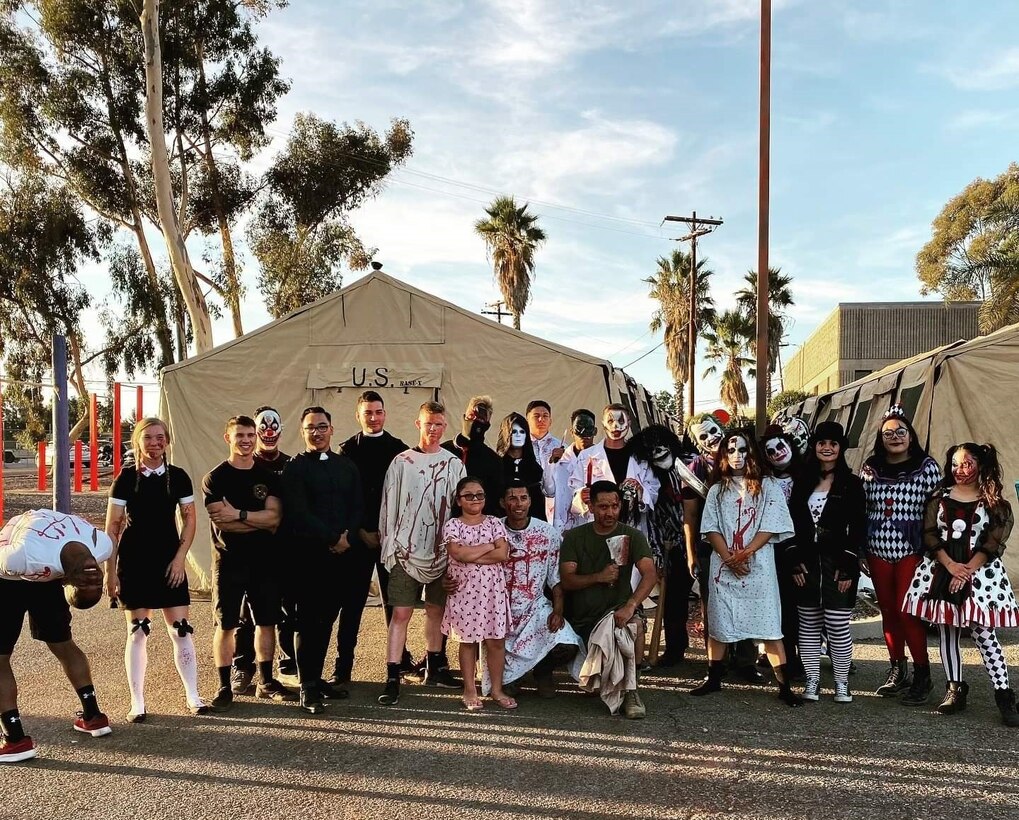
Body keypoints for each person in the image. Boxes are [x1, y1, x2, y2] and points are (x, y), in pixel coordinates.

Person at [902, 443, 1019, 726]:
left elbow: (993, 540)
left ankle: (1004, 694)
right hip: (942, 570)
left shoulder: (993, 502)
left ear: (980, 465)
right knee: (947, 630)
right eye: (955, 463)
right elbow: (930, 535)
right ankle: (955, 689)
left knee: (983, 632)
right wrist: (951, 566)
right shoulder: (938, 499)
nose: (960, 469)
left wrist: (966, 570)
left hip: (979, 575)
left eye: (966, 463)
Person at [105, 417, 208, 721]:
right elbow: (112, 527)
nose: (155, 443)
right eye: (148, 437)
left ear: (167, 441)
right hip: (134, 561)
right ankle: (137, 702)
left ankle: (193, 695)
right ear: (138, 441)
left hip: (168, 559)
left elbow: (190, 520)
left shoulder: (177, 477)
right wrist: (109, 571)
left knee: (181, 631)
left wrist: (180, 559)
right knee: (138, 632)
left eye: (160, 437)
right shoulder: (124, 479)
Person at [691, 430, 803, 707]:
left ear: (751, 452)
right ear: (723, 456)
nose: (737, 456)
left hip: (758, 566)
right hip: (724, 565)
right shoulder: (717, 489)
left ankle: (784, 686)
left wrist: (747, 552)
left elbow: (772, 523)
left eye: (742, 450)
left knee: (770, 626)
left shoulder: (768, 486)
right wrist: (729, 557)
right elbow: (710, 527)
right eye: (731, 451)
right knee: (720, 623)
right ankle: (714, 677)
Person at [1, 510, 114, 762]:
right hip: (29, 574)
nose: (94, 577)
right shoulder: (103, 546)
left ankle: (16, 739)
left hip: (15, 573)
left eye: (89, 584)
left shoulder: (23, 557)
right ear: (65, 581)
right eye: (95, 582)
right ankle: (93, 716)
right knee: (62, 645)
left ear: (66, 580)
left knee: (6, 658)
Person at [378, 401, 466, 706]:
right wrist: (389, 543)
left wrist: (457, 548)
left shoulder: (454, 465)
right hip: (407, 549)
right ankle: (392, 674)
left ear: (445, 426)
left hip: (442, 550)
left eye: (439, 424)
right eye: (428, 423)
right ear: (418, 424)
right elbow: (388, 506)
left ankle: (434, 666)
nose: (433, 430)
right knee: (401, 612)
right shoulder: (402, 462)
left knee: (435, 611)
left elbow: (462, 507)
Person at [202, 415, 290, 712]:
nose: (247, 440)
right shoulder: (215, 478)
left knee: (267, 622)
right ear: (228, 438)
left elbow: (275, 518)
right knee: (226, 625)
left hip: (264, 562)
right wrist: (258, 521)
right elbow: (222, 523)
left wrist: (238, 513)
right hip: (228, 562)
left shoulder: (269, 476)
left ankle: (266, 682)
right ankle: (224, 686)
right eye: (240, 435)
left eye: (251, 435)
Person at [280, 406, 363, 715]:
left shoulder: (346, 466)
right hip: (307, 558)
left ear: (332, 429)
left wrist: (348, 537)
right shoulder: (295, 468)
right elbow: (299, 512)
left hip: (341, 559)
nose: (317, 432)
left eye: (322, 426)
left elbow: (357, 506)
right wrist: (332, 538)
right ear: (303, 432)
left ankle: (316, 678)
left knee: (326, 620)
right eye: (311, 427)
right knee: (306, 622)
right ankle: (306, 686)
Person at [861, 405, 941, 705]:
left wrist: (934, 549)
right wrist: (859, 548)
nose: (895, 437)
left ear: (910, 435)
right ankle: (897, 668)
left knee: (908, 611)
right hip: (877, 547)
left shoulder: (927, 467)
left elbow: (937, 510)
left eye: (900, 432)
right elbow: (862, 508)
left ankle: (923, 673)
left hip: (913, 549)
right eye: (888, 433)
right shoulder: (870, 468)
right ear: (881, 439)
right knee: (889, 611)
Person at [561, 481, 657, 719]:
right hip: (582, 618)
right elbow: (567, 580)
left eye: (615, 506)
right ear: (591, 507)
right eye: (603, 507)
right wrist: (598, 577)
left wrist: (631, 605)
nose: (610, 512)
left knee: (634, 625)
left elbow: (650, 573)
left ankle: (632, 691)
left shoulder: (632, 536)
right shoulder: (574, 537)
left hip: (617, 611)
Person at [786, 421, 866, 703]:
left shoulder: (852, 484)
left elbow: (858, 526)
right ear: (815, 447)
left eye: (833, 443)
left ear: (840, 447)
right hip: (806, 563)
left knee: (837, 623)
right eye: (822, 443)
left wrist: (849, 562)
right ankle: (812, 680)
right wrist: (794, 559)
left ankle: (842, 682)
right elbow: (791, 523)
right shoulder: (802, 482)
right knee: (807, 623)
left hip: (838, 562)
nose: (827, 448)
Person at [337, 390, 412, 683]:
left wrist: (388, 532)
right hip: (359, 539)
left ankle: (400, 661)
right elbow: (344, 498)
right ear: (358, 416)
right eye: (368, 413)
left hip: (390, 538)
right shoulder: (347, 451)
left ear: (385, 414)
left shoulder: (399, 450)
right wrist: (360, 532)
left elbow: (406, 496)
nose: (374, 417)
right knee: (352, 603)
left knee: (395, 603)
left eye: (378, 412)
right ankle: (343, 667)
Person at [488, 480, 584, 698]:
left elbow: (556, 580)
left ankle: (543, 671)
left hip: (535, 606)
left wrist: (558, 612)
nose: (518, 503)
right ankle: (515, 676)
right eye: (512, 498)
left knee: (567, 644)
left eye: (523, 498)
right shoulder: (492, 530)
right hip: (500, 609)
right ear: (503, 503)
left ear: (531, 501)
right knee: (502, 665)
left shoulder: (547, 533)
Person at [686, 413, 762, 684]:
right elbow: (690, 515)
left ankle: (745, 662)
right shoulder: (696, 467)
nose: (710, 438)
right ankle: (715, 665)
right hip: (710, 548)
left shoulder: (745, 459)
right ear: (697, 443)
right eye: (702, 436)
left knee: (747, 604)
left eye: (712, 430)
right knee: (715, 607)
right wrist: (692, 552)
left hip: (746, 547)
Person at [231, 406, 296, 693]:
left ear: (281, 429)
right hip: (249, 551)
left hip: (283, 550)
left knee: (285, 609)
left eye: (274, 426)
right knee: (246, 614)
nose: (269, 432)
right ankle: (242, 665)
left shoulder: (292, 465)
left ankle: (285, 661)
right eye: (263, 427)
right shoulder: (243, 466)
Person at [441, 476, 516, 710]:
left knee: (496, 641)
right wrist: (487, 547)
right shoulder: (453, 525)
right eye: (469, 495)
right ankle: (469, 690)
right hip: (465, 592)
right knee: (468, 641)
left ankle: (496, 689)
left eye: (479, 495)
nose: (475, 499)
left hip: (492, 591)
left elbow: (502, 554)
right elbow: (457, 554)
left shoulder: (494, 522)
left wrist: (470, 553)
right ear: (459, 500)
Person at [630, 424, 702, 667]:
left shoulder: (694, 464)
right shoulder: (650, 475)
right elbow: (652, 517)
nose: (657, 452)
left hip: (706, 540)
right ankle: (675, 649)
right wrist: (659, 553)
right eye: (651, 449)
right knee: (673, 601)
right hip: (672, 545)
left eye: (661, 445)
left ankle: (726, 654)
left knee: (715, 600)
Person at [568, 404, 659, 533]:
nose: (615, 426)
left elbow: (653, 493)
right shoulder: (586, 457)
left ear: (629, 422)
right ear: (603, 423)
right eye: (610, 421)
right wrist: (581, 496)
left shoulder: (642, 458)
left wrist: (640, 492)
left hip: (632, 528)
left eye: (621, 421)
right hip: (597, 529)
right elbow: (574, 492)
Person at [761, 424, 805, 678]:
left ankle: (805, 655)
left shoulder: (806, 477)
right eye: (770, 451)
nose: (777, 453)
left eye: (780, 447)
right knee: (780, 607)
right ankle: (783, 656)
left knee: (801, 608)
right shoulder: (764, 483)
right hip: (772, 552)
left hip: (802, 551)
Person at [442, 395, 504, 516]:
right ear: (464, 417)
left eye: (481, 418)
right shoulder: (443, 452)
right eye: (472, 416)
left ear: (487, 423)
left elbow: (494, 499)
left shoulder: (493, 461)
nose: (475, 421)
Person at [495, 412, 554, 522]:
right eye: (513, 432)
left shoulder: (534, 467)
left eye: (522, 432)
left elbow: (544, 496)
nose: (518, 435)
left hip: (533, 524)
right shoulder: (496, 466)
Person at [552, 409, 597, 533]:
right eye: (579, 429)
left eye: (589, 429)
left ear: (595, 431)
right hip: (562, 526)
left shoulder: (602, 460)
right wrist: (551, 464)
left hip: (591, 524)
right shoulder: (560, 461)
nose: (584, 434)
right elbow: (548, 490)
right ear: (572, 432)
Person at [526, 400, 562, 520]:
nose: (541, 420)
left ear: (550, 420)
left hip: (556, 506)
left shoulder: (562, 448)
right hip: (528, 505)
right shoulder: (520, 447)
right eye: (536, 416)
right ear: (527, 420)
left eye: (545, 416)